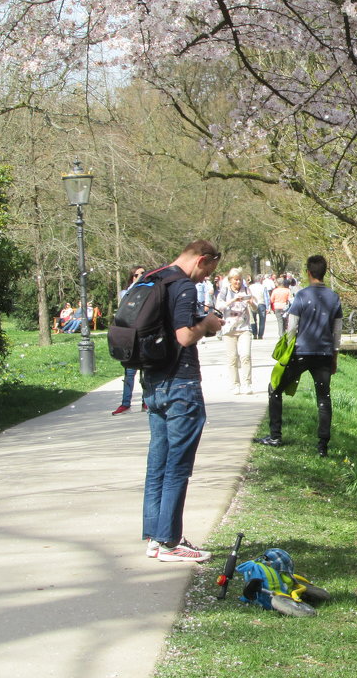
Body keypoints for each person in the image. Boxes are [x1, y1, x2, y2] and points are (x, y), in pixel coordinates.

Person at [140, 239, 224, 563]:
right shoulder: (184, 286)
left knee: (157, 464)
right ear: (201, 259)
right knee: (177, 466)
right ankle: (170, 542)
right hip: (181, 385)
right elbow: (185, 336)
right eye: (207, 271)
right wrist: (208, 324)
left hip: (154, 383)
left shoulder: (155, 277)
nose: (204, 279)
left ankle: (154, 536)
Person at [261, 255, 342, 453]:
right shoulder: (334, 297)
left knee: (275, 388)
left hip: (301, 352)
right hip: (323, 354)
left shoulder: (302, 296)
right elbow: (337, 331)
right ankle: (323, 445)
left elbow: (292, 326)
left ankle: (275, 435)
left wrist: (289, 347)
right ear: (324, 272)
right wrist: (334, 357)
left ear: (308, 272)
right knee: (324, 397)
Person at [113, 266, 147, 415]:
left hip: (143, 335)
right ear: (132, 277)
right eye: (137, 275)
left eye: (143, 274)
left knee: (145, 373)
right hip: (129, 336)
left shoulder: (148, 291)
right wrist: (136, 285)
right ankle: (125, 403)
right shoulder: (125, 292)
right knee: (129, 373)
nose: (140, 276)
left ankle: (146, 402)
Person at [216, 267, 254, 394]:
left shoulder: (246, 289)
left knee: (245, 356)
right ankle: (235, 384)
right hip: (229, 328)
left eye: (239, 280)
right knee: (232, 358)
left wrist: (250, 302)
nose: (238, 282)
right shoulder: (225, 291)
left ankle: (247, 383)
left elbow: (255, 307)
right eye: (235, 280)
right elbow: (219, 306)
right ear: (230, 280)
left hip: (244, 328)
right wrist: (233, 300)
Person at [248, 273, 268, 339]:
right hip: (261, 303)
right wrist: (268, 307)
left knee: (253, 319)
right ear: (261, 280)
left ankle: (254, 334)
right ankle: (260, 335)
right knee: (262, 320)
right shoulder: (263, 287)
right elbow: (266, 297)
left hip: (253, 304)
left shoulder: (250, 287)